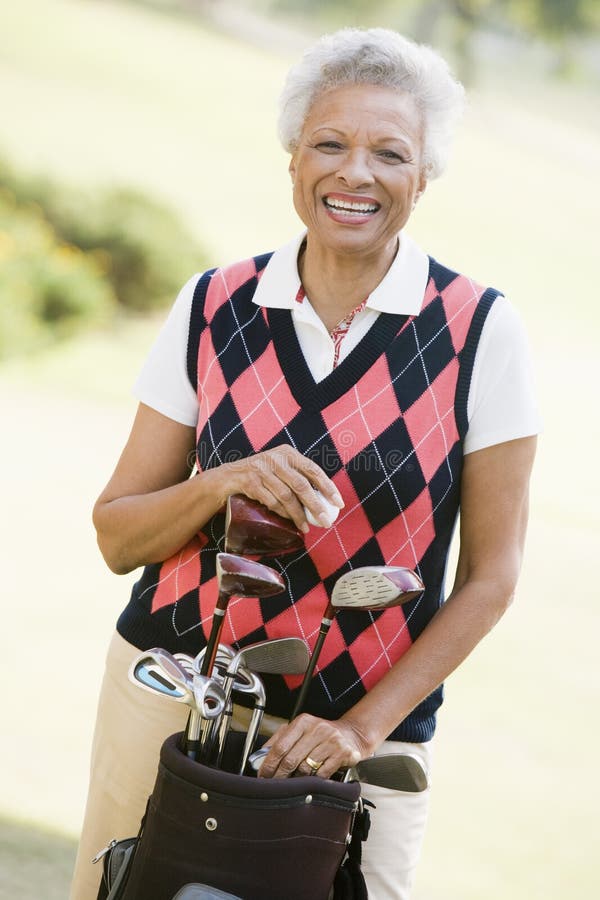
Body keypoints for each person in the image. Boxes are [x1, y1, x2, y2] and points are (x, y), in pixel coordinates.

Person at [70, 27, 540, 900]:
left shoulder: (480, 330)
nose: (355, 173)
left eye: (389, 153)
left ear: (424, 175)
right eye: (330, 143)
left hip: (363, 728)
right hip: (175, 695)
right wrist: (224, 480)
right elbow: (116, 535)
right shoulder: (215, 305)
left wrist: (360, 730)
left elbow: (492, 578)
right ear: (293, 159)